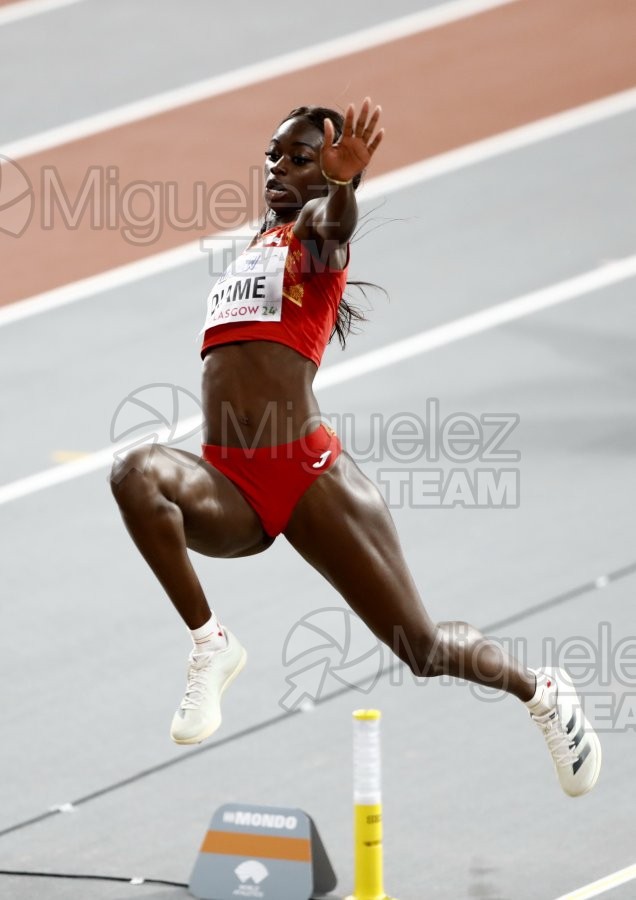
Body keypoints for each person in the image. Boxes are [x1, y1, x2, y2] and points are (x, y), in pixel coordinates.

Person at [111, 98, 601, 798]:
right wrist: (322, 180)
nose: (279, 168)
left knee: (422, 648)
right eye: (273, 156)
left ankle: (542, 690)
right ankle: (212, 645)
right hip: (229, 482)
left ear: (332, 175)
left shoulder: (316, 236)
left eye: (299, 159)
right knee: (135, 471)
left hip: (310, 478)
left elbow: (334, 227)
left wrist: (340, 188)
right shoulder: (255, 249)